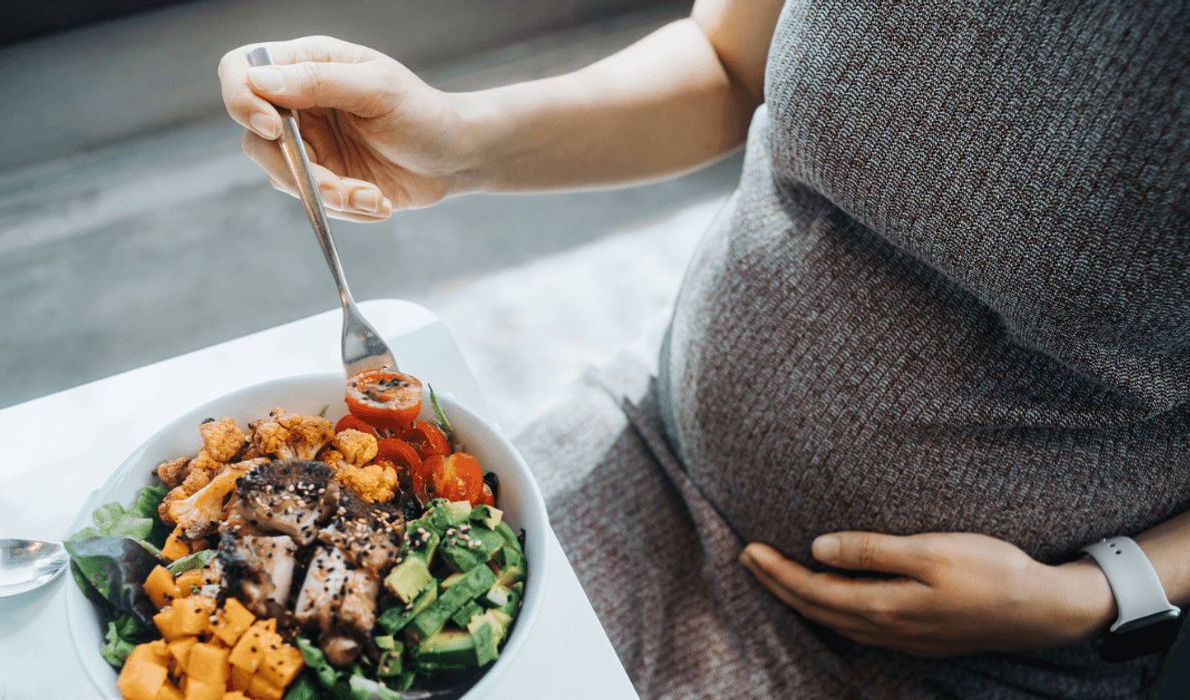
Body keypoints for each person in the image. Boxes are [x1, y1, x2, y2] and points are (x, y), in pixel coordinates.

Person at [219, 1, 1190, 697]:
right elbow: (729, 63)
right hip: (650, 445)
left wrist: (1095, 591)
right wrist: (458, 141)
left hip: (974, 645)